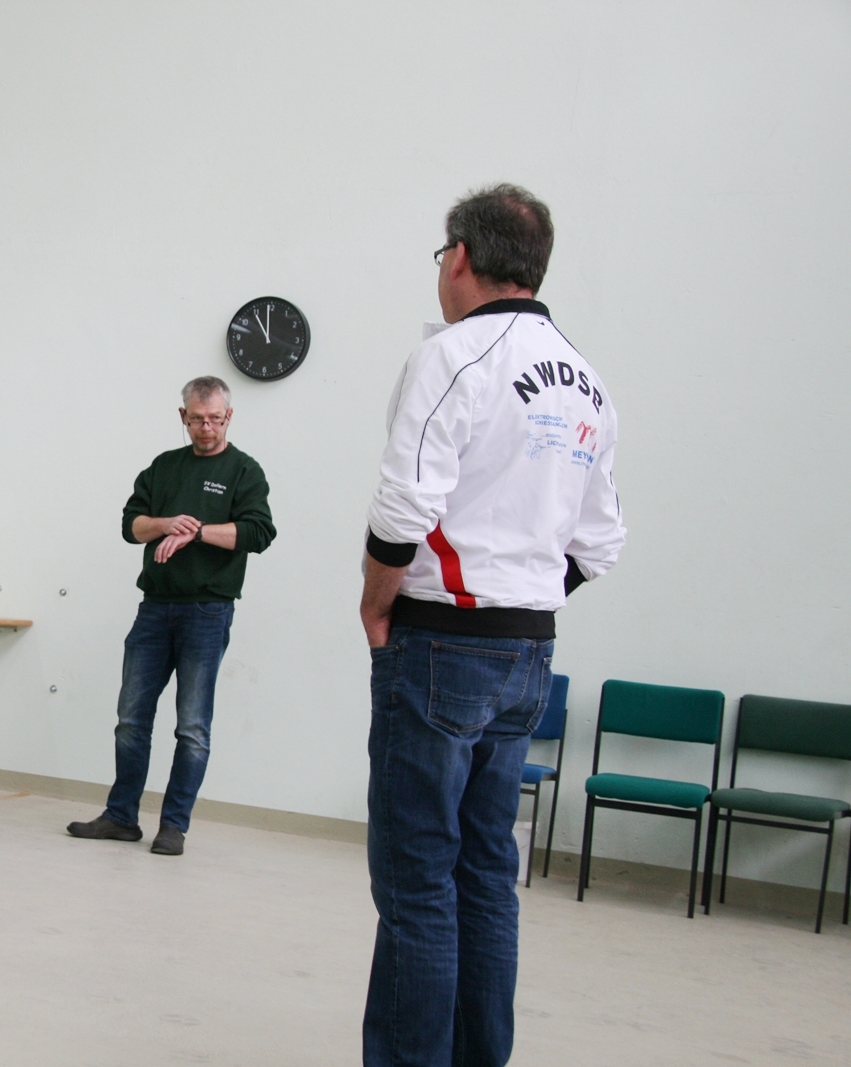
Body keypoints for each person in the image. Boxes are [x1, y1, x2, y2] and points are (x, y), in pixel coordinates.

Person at [358, 184, 626, 1066]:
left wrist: (376, 600)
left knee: (417, 877)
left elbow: (405, 505)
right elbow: (599, 541)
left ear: (462, 257)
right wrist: (524, 596)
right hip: (528, 651)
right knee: (485, 873)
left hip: (440, 644)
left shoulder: (452, 355)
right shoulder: (585, 379)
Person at [67, 376, 275, 856]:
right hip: (155, 609)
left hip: (208, 611)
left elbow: (258, 533)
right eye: (197, 419)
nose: (207, 428)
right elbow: (132, 526)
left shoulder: (244, 470)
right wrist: (166, 523)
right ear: (183, 416)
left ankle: (173, 826)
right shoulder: (163, 467)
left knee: (192, 727)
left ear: (229, 416)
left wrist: (197, 532)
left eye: (215, 419)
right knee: (131, 718)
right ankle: (121, 817)